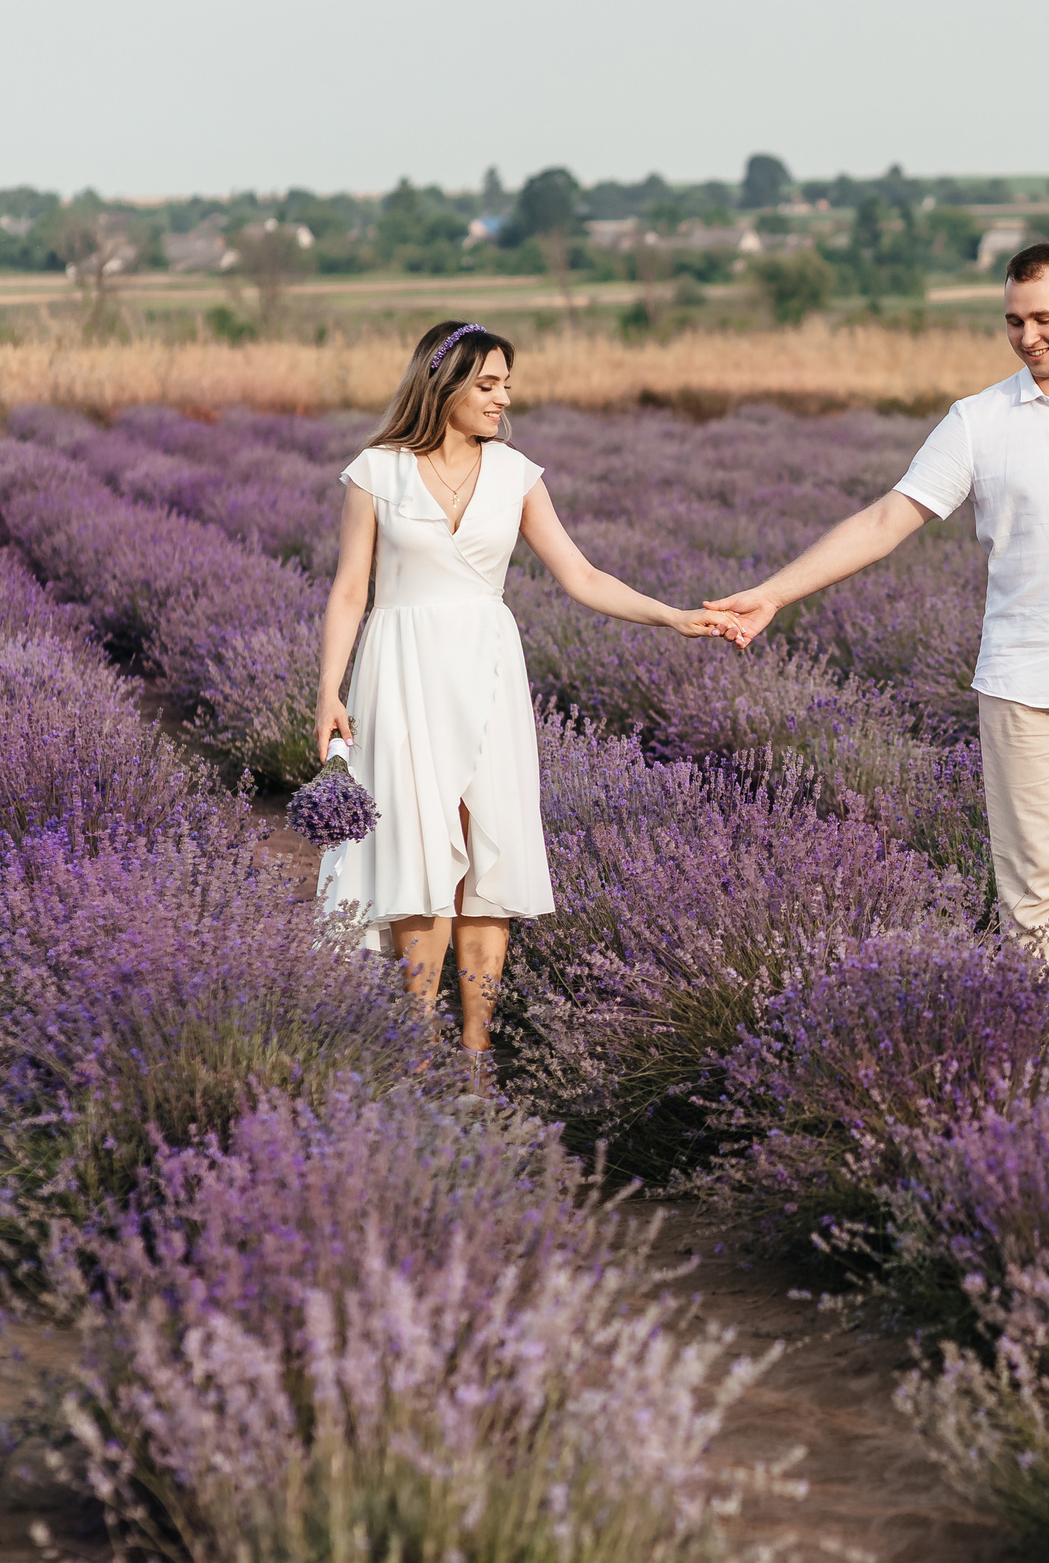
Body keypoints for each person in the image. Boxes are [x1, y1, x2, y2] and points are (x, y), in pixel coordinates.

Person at [708, 243, 1049, 984]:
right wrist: (775, 593)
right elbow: (889, 518)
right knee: (1036, 896)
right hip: (1021, 690)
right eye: (1013, 321)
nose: (1028, 336)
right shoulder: (978, 421)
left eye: (1043, 318)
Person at [315, 319, 737, 1053]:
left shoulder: (517, 475)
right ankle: (419, 1047)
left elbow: (582, 576)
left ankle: (475, 1051)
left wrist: (671, 616)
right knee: (416, 854)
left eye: (506, 384)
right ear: (441, 385)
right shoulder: (375, 471)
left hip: (487, 668)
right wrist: (328, 689)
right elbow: (350, 590)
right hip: (400, 666)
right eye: (487, 384)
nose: (503, 398)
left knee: (491, 854)